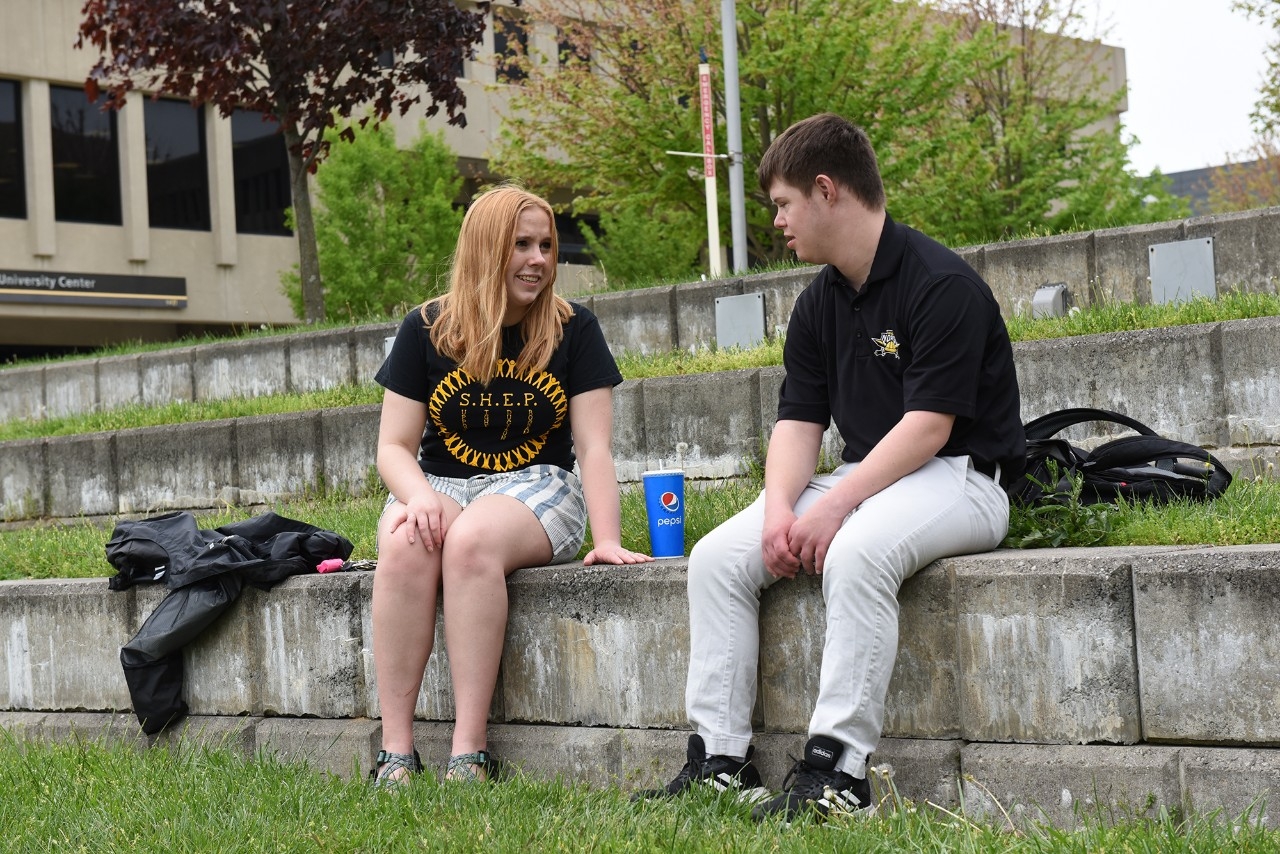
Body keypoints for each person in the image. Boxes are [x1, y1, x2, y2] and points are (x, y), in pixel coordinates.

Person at [637, 114, 1025, 821]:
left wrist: (832, 506)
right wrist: (783, 508)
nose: (779, 221)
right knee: (719, 556)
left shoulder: (941, 284)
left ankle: (839, 774)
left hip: (963, 478)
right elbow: (797, 422)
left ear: (825, 190)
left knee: (858, 551)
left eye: (783, 204)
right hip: (875, 479)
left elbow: (929, 428)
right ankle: (721, 759)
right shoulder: (818, 301)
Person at [370, 185, 652, 788]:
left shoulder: (574, 329)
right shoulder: (426, 328)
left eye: (546, 245)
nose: (539, 259)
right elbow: (393, 447)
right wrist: (417, 497)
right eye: (520, 244)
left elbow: (594, 447)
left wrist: (607, 537)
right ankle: (396, 750)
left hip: (539, 485)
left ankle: (469, 751)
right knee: (402, 541)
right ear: (484, 250)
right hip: (441, 482)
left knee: (470, 542)